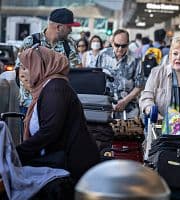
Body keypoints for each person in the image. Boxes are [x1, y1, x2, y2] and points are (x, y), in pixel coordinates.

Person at [16, 46, 99, 182]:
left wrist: (17, 153)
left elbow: (50, 131)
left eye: (28, 67)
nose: (24, 73)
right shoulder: (47, 86)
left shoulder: (55, 89)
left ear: (40, 67)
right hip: (62, 162)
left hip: (71, 165)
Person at [15, 7, 82, 114]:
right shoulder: (31, 42)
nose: (71, 30)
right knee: (29, 131)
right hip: (30, 104)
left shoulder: (69, 44)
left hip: (58, 104)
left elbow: (77, 71)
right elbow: (21, 73)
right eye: (69, 27)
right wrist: (39, 94)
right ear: (59, 27)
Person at [96, 29, 144, 119]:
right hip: (106, 106)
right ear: (112, 42)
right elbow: (96, 79)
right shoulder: (103, 55)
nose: (120, 49)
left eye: (124, 46)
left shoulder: (136, 59)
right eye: (117, 45)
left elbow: (140, 85)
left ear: (128, 43)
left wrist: (125, 101)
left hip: (129, 109)